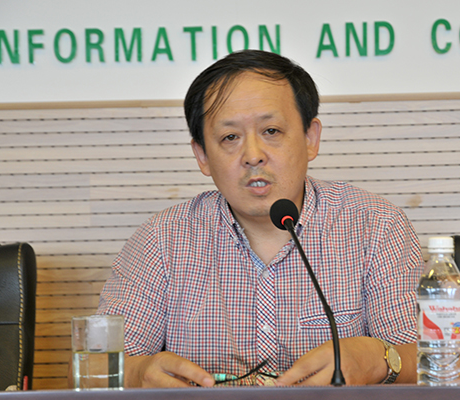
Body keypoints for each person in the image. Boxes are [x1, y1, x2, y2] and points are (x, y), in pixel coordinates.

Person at [95, 49, 424, 388]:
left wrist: (381, 360)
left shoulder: (375, 226)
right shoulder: (161, 240)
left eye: (271, 131)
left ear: (310, 139)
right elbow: (93, 367)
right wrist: (136, 373)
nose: (253, 156)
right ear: (202, 155)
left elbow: (435, 359)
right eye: (230, 137)